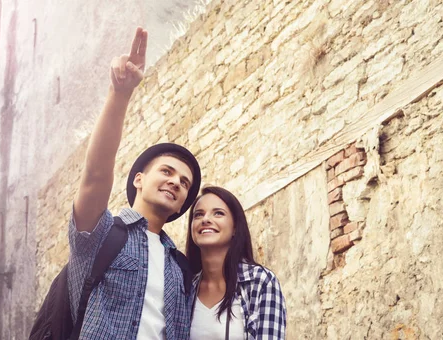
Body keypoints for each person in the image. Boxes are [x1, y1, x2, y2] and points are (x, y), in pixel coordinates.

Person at [68, 27, 200, 339]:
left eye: (184, 182)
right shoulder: (100, 235)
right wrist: (120, 93)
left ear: (183, 204)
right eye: (167, 171)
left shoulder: (181, 269)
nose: (176, 182)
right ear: (138, 179)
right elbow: (95, 175)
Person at [185, 186, 286, 340]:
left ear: (235, 228)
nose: (205, 219)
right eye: (198, 215)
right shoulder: (186, 288)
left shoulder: (261, 282)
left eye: (218, 213)